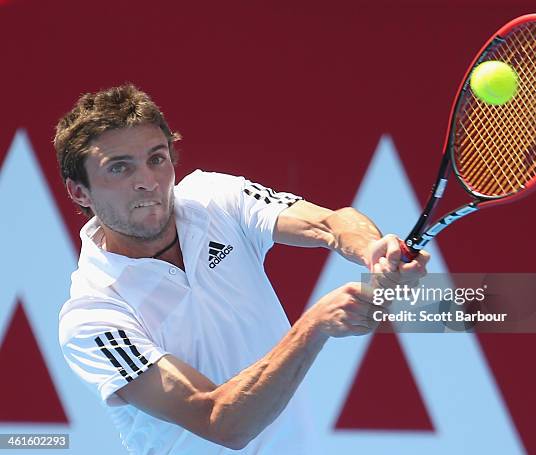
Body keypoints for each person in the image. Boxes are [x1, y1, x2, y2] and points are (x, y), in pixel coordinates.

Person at [55, 84, 430, 454]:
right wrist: (313, 326)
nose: (148, 182)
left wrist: (373, 251)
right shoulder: (93, 314)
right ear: (79, 192)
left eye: (157, 158)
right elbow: (220, 421)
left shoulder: (216, 199)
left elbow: (330, 225)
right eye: (119, 168)